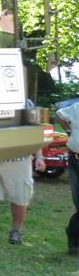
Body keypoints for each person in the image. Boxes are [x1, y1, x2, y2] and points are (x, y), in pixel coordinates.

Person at [55, 99, 79, 255]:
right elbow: (59, 114)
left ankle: (74, 237)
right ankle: (74, 237)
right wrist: (70, 132)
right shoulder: (77, 107)